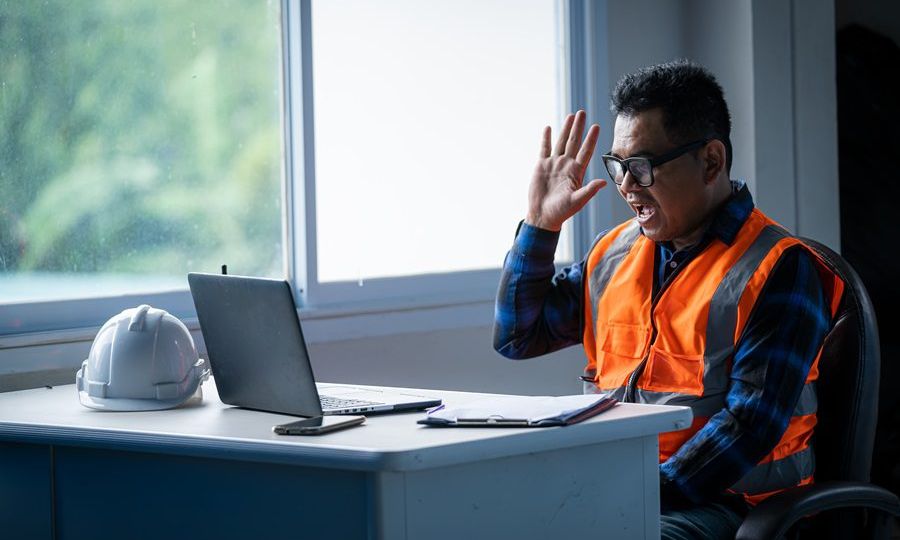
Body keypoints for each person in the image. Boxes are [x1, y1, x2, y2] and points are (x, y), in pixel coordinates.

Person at [493, 60, 844, 540]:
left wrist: (628, 490)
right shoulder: (612, 256)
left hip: (729, 508)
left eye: (641, 166)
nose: (625, 186)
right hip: (620, 490)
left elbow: (748, 426)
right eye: (617, 166)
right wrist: (540, 224)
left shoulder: (778, 269)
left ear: (711, 162)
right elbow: (518, 335)